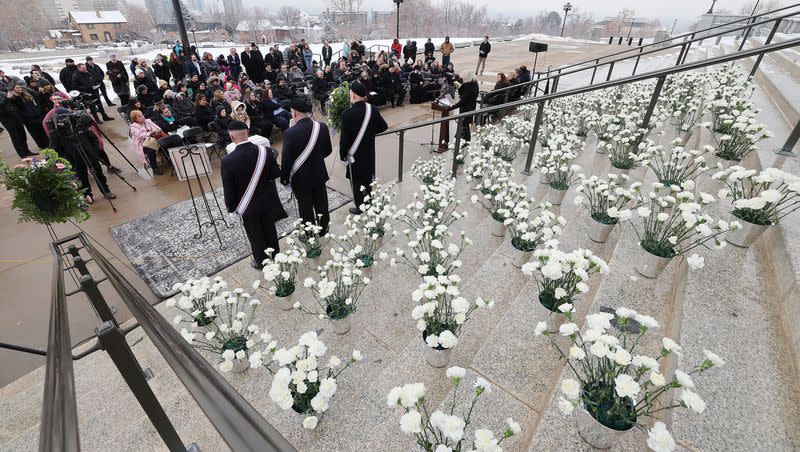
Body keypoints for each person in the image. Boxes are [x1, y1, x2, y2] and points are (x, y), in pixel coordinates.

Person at [221, 120, 287, 269]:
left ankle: (261, 261)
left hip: (248, 205)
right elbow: (275, 174)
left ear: (232, 137)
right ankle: (275, 254)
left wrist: (231, 208)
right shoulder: (265, 151)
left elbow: (229, 190)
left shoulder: (227, 161)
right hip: (267, 200)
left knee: (255, 235)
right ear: (247, 133)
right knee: (270, 229)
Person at [280, 97, 332, 234]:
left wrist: (284, 178)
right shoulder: (321, 126)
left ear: (294, 113)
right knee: (322, 205)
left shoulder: (289, 133)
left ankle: (310, 236)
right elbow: (328, 151)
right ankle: (324, 230)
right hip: (319, 174)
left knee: (306, 209)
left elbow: (286, 160)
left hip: (301, 179)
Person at [339, 81, 388, 214]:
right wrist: (370, 134)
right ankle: (369, 202)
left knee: (356, 181)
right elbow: (384, 127)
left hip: (354, 155)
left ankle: (360, 206)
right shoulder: (373, 109)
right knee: (367, 178)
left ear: (354, 95)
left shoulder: (347, 115)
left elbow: (344, 141)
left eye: (350, 93)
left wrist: (342, 155)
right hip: (369, 152)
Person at [49, 112, 114, 204]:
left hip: (90, 155)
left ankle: (106, 191)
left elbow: (94, 139)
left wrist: (94, 151)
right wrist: (65, 160)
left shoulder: (79, 127)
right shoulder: (56, 133)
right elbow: (54, 149)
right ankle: (87, 196)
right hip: (74, 159)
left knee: (98, 173)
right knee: (81, 177)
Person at [129, 109, 165, 175]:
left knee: (165, 142)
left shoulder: (148, 121)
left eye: (142, 115)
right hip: (144, 144)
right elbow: (140, 135)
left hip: (155, 139)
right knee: (151, 150)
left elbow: (158, 127)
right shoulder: (133, 127)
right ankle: (155, 168)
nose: (142, 117)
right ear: (135, 119)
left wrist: (157, 130)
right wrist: (151, 132)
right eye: (139, 117)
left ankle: (170, 158)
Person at [450, 69, 479, 144]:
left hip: (466, 108)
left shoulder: (468, 87)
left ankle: (461, 141)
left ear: (467, 77)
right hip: (471, 106)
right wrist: (459, 84)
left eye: (464, 76)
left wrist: (453, 107)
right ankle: (466, 140)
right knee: (465, 124)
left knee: (463, 125)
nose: (462, 78)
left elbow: (463, 100)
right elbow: (461, 93)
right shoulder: (474, 84)